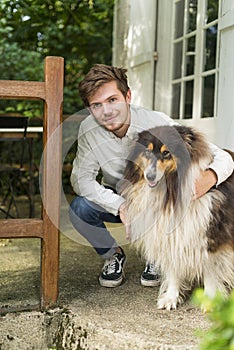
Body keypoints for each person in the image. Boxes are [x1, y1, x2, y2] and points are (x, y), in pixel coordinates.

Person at [69, 64, 234, 288]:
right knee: (79, 209)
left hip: (157, 200)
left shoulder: (156, 121)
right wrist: (120, 206)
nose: (106, 111)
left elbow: (222, 157)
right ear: (89, 109)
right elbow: (81, 180)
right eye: (96, 105)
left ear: (127, 96)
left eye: (112, 100)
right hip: (119, 197)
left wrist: (210, 177)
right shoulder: (89, 130)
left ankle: (157, 257)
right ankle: (113, 255)